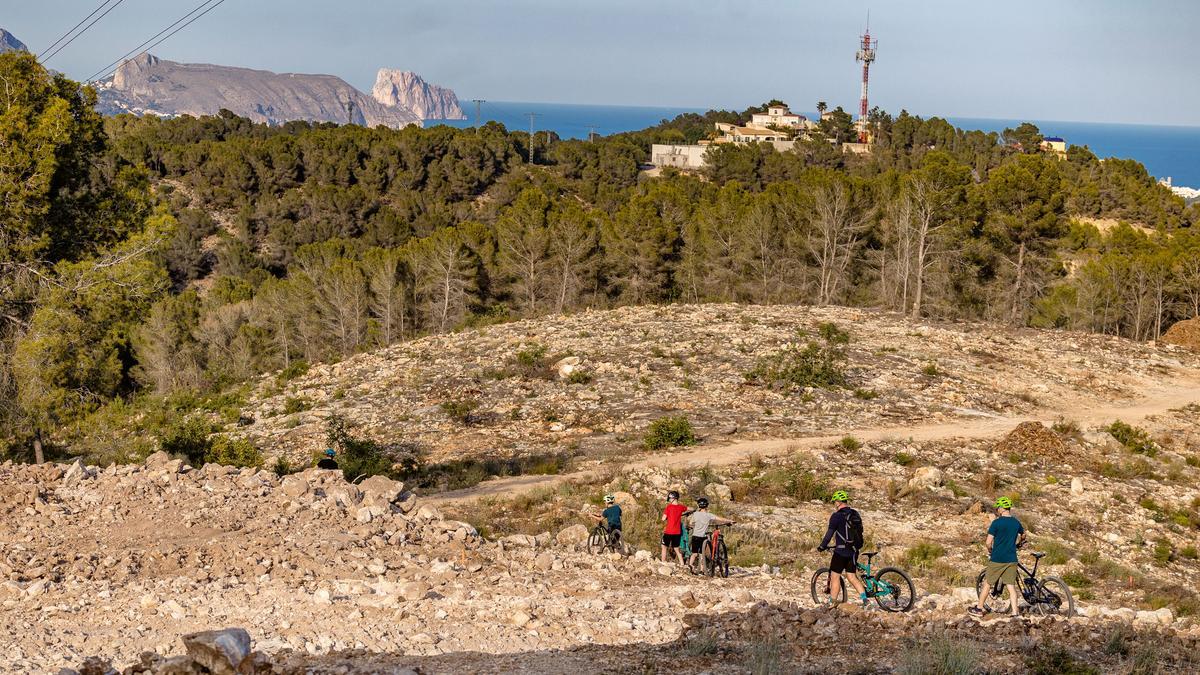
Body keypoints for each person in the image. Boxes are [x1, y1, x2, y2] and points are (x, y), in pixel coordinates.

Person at [971, 496, 1027, 618]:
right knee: (1011, 587)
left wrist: (990, 550)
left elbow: (988, 542)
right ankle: (1015, 613)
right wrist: (1020, 543)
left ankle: (979, 609)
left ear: (1002, 508)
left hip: (997, 558)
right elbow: (1023, 534)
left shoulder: (996, 523)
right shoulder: (1016, 522)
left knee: (987, 583)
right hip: (1011, 559)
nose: (997, 510)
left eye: (998, 508)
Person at [817, 490, 868, 607]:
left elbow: (829, 534)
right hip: (853, 551)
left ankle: (832, 602)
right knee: (852, 576)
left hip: (840, 552)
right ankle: (865, 601)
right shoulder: (855, 514)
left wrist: (822, 546)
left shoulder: (836, 516)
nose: (834, 504)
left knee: (835, 576)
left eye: (834, 501)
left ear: (838, 502)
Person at [687, 497, 734, 573]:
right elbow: (720, 519)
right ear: (707, 506)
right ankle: (702, 569)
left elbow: (691, 523)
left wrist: (692, 526)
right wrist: (729, 520)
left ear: (698, 505)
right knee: (702, 554)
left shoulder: (695, 514)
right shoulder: (709, 515)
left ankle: (690, 565)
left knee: (694, 553)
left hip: (695, 536)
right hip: (703, 537)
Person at [660, 490, 688, 564]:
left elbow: (663, 518)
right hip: (677, 532)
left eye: (670, 498)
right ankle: (682, 564)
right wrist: (694, 509)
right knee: (676, 549)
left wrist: (666, 517)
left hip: (669, 531)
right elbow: (688, 508)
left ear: (673, 498)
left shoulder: (669, 507)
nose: (669, 500)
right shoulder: (681, 507)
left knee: (664, 546)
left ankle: (663, 562)